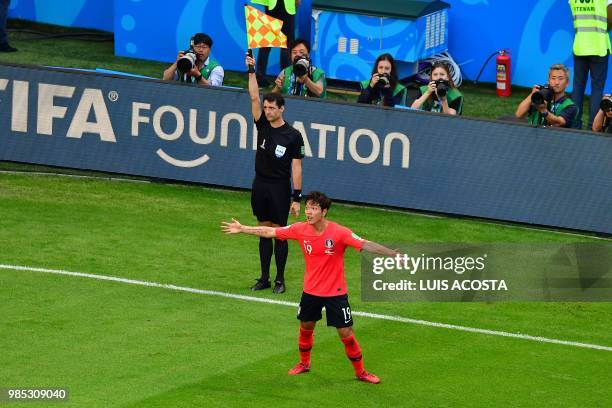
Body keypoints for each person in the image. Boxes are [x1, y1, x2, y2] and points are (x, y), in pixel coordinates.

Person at [222, 191, 400, 383]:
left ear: (324, 212)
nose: (308, 212)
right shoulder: (300, 229)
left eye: (313, 208)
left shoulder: (340, 232)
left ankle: (361, 372)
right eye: (307, 207)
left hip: (335, 293)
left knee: (346, 333)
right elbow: (271, 231)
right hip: (311, 292)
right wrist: (243, 228)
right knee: (306, 327)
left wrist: (391, 254)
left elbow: (365, 244)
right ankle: (304, 364)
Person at [245, 51, 305, 294]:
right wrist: (251, 69)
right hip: (260, 184)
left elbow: (297, 166)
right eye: (266, 107)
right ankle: (264, 277)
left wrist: (297, 197)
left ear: (282, 109)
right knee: (263, 230)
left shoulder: (293, 135)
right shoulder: (262, 125)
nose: (267, 111)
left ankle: (280, 279)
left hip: (280, 187)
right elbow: (252, 96)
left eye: (271, 108)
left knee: (280, 233)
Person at [569, 0, 612, 129]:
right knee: (597, 89)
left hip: (580, 45)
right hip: (599, 46)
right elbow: (610, 19)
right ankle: (592, 128)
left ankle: (574, 125)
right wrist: (603, 30)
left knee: (578, 87)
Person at [515, 64, 578, 128]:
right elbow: (519, 115)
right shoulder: (539, 97)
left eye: (560, 79)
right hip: (531, 135)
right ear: (548, 81)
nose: (556, 82)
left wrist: (543, 111)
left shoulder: (570, 106)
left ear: (567, 83)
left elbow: (558, 122)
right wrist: (532, 95)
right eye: (553, 78)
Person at [255, 0, 300, 87]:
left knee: (267, 42)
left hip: (271, 4)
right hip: (285, 4)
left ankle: (260, 79)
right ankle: (284, 81)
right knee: (286, 44)